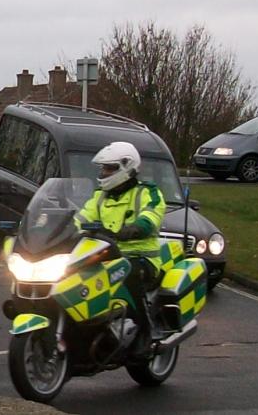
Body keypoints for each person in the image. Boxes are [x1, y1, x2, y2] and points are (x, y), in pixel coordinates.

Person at [73, 141, 166, 355]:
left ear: (127, 167)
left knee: (128, 274)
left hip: (141, 257)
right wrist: (66, 230)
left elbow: (150, 218)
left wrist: (131, 230)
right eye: (103, 168)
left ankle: (145, 332)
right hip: (106, 256)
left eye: (109, 168)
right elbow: (81, 218)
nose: (104, 173)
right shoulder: (100, 197)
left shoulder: (147, 193)